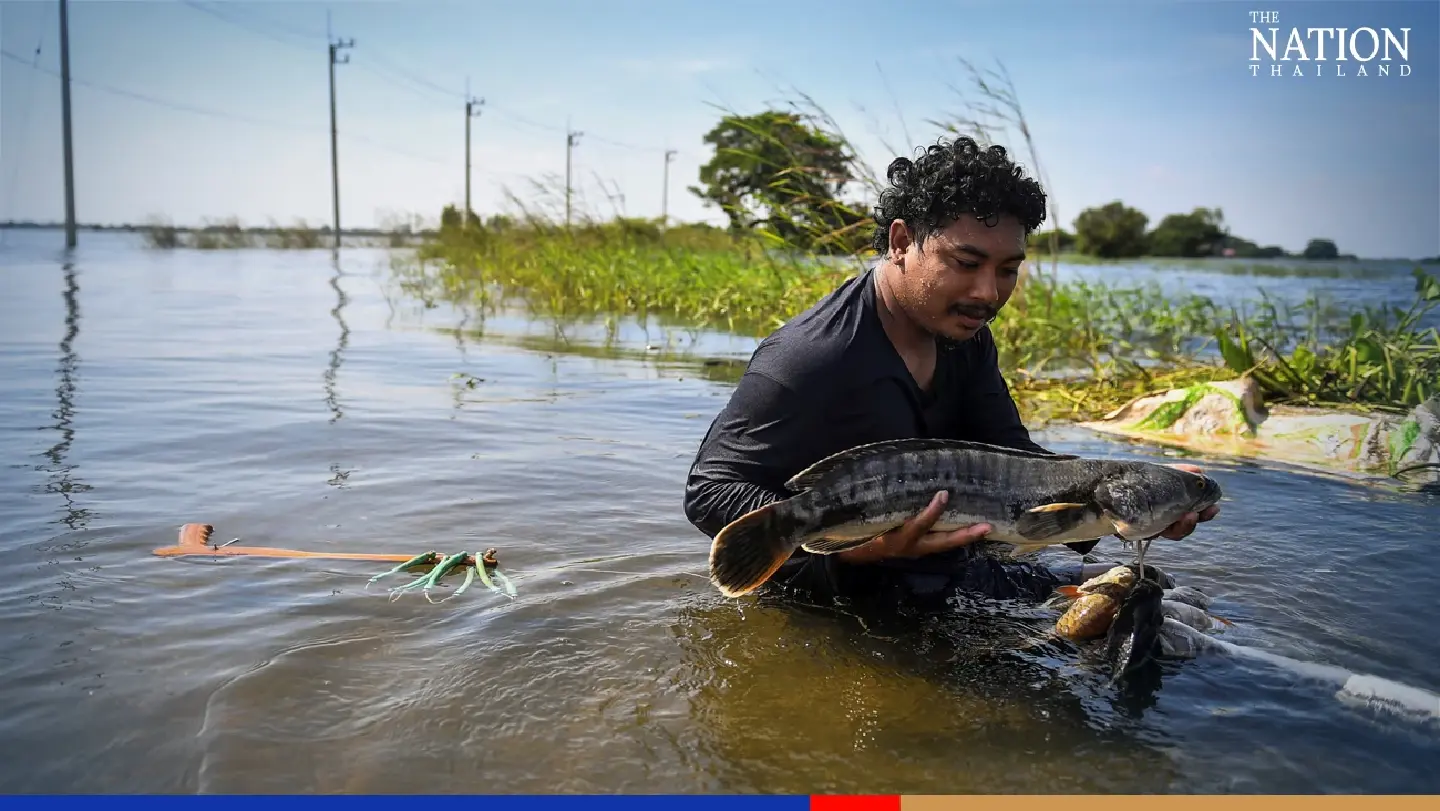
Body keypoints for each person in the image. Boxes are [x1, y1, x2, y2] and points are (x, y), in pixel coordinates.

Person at [682, 135, 1219, 611]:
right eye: (966, 263)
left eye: (1008, 270)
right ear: (900, 242)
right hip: (823, 583)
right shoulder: (809, 358)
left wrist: (1142, 498)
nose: (988, 293)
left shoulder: (965, 335)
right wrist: (868, 548)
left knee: (1153, 598)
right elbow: (710, 491)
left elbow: (1023, 466)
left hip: (939, 569)